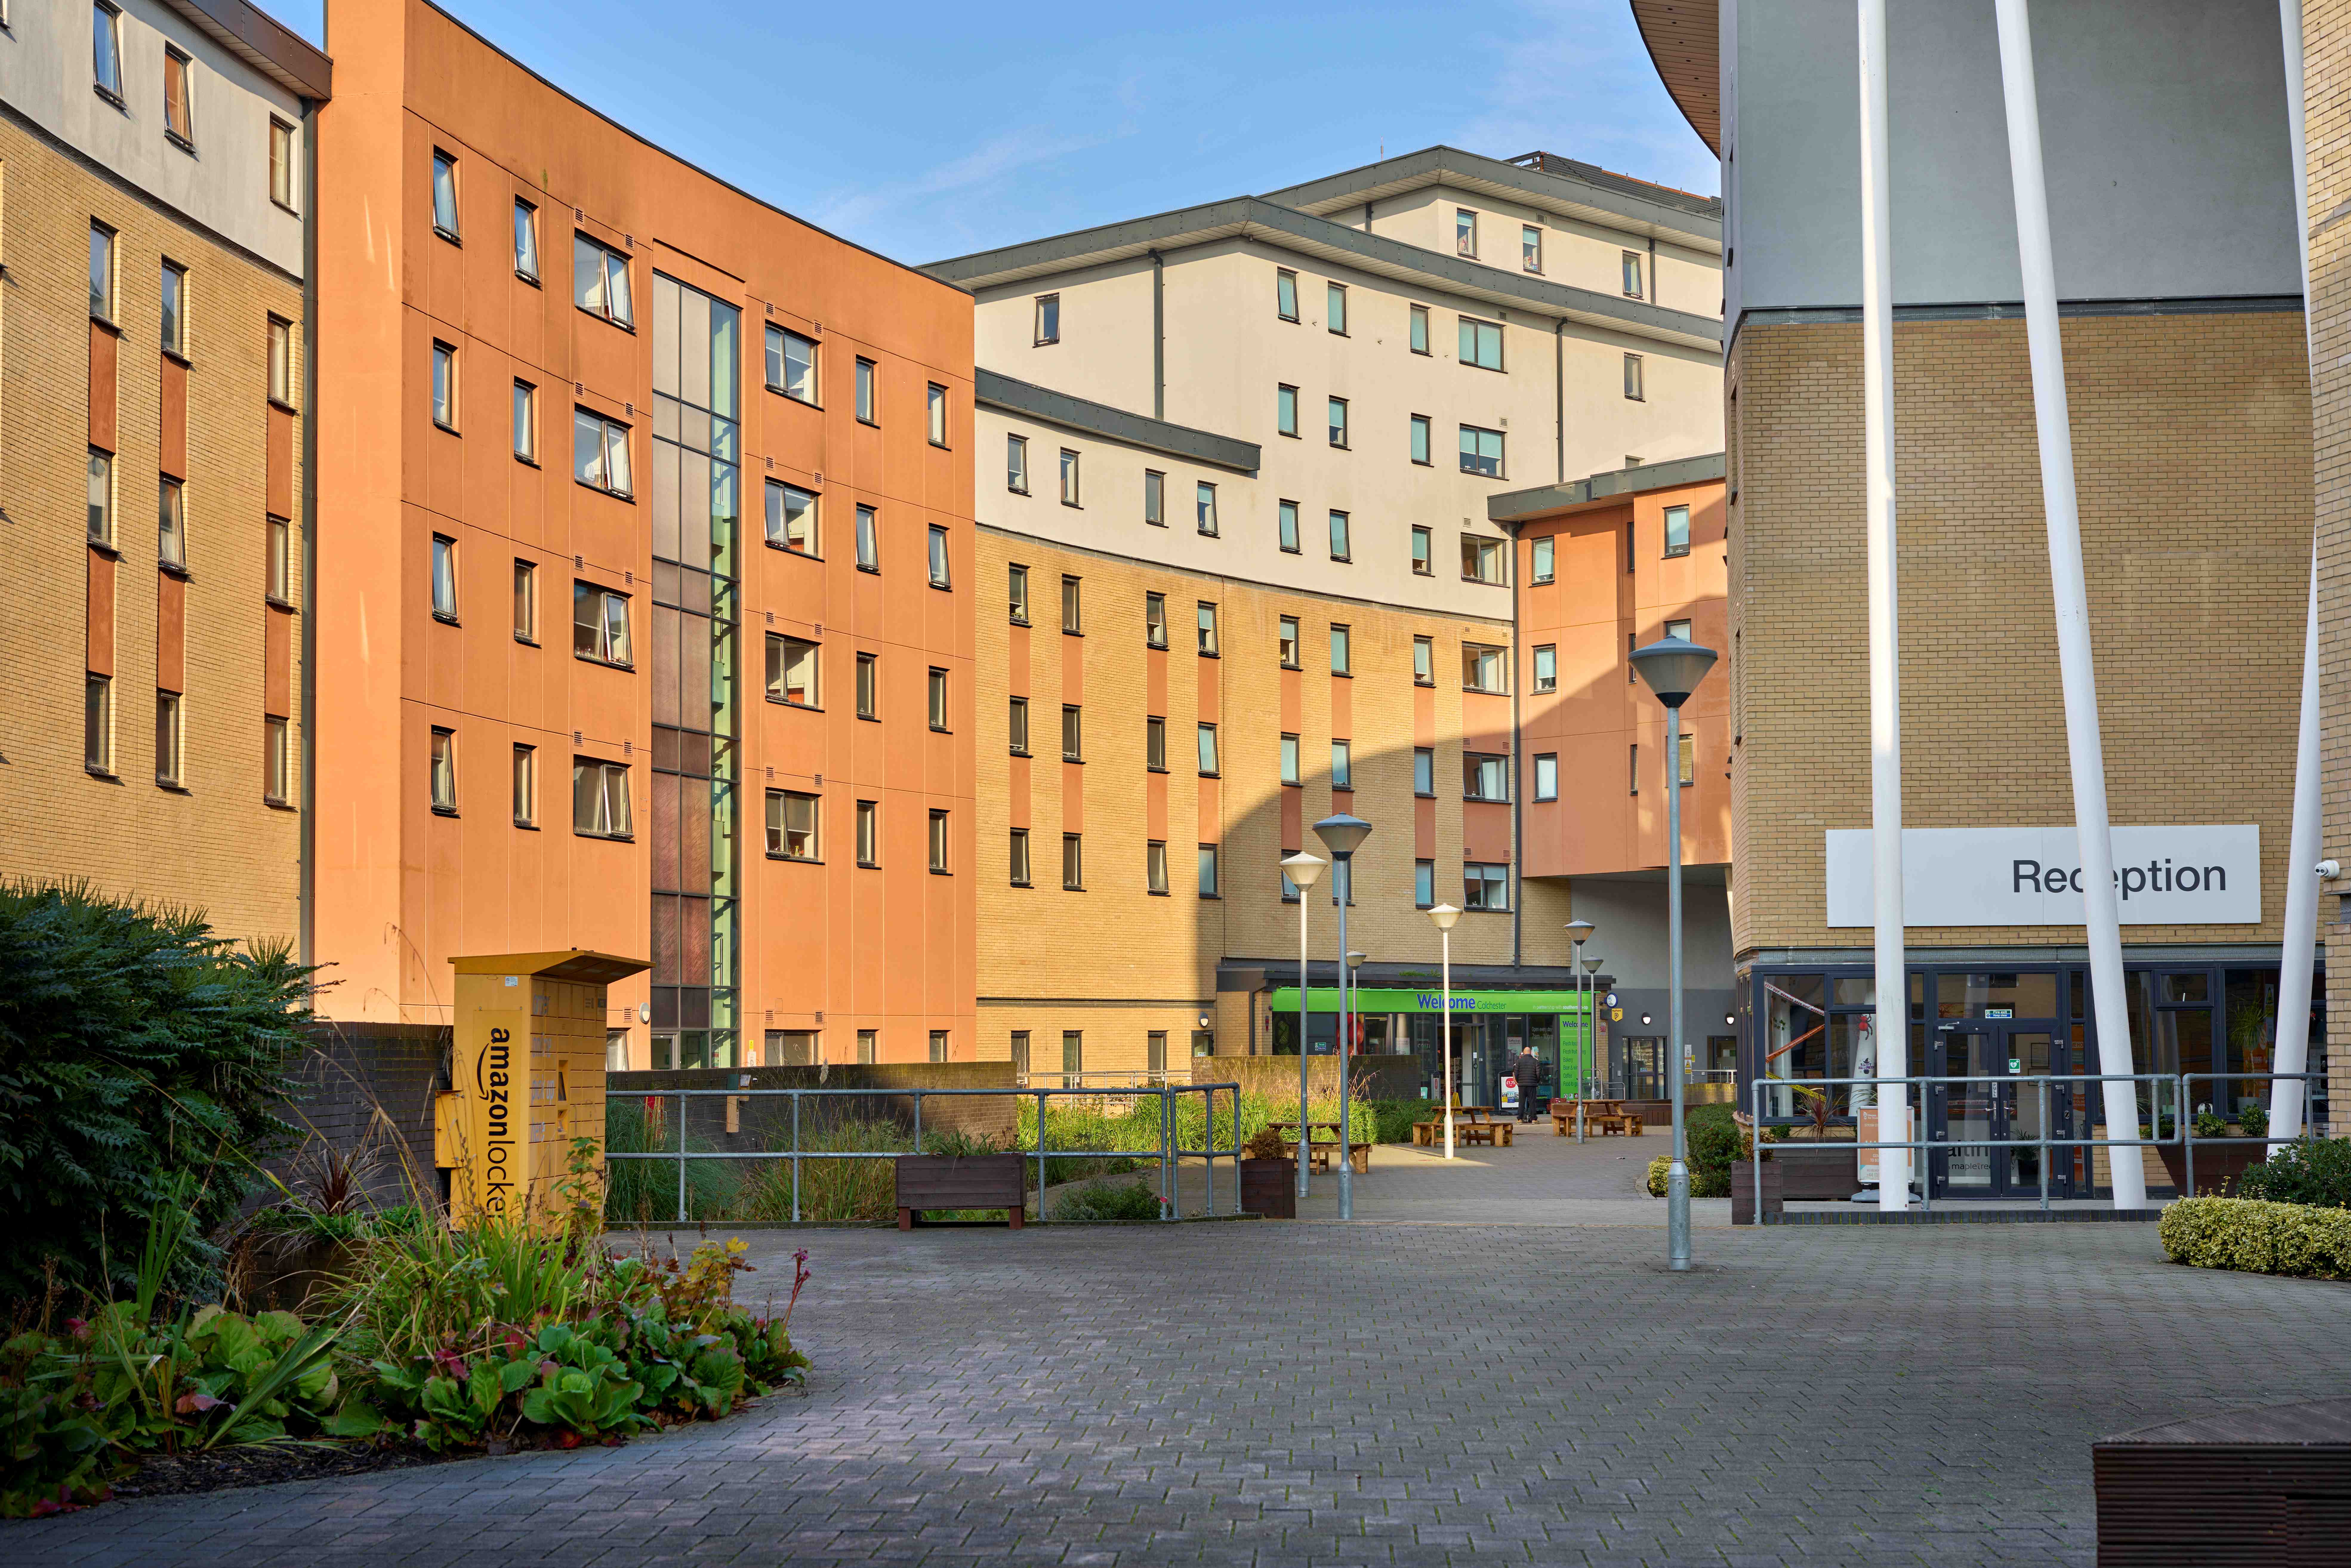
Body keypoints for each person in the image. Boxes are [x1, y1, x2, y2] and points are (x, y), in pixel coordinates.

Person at [1511, 1045, 1545, 1123]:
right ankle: (1534, 1119)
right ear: (1531, 1053)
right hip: (1532, 1085)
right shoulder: (1535, 1061)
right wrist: (1536, 1081)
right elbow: (1539, 1073)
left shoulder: (1519, 1062)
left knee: (1522, 1102)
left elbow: (1516, 1074)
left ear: (1524, 1052)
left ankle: (1520, 1119)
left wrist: (1520, 1081)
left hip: (1522, 1085)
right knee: (1532, 1102)